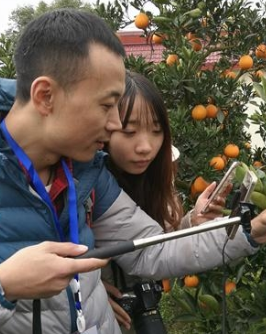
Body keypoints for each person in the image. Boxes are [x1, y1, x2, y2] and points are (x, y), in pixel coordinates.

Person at [0, 8, 266, 334]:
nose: (116, 125)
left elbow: (152, 249)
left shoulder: (85, 175)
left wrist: (248, 231)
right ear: (45, 96)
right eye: (106, 106)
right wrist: (0, 284)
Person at [100, 71, 229, 332]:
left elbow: (158, 249)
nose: (145, 146)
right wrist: (90, 289)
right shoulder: (86, 188)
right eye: (130, 132)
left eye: (156, 131)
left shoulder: (156, 181)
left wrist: (193, 221)